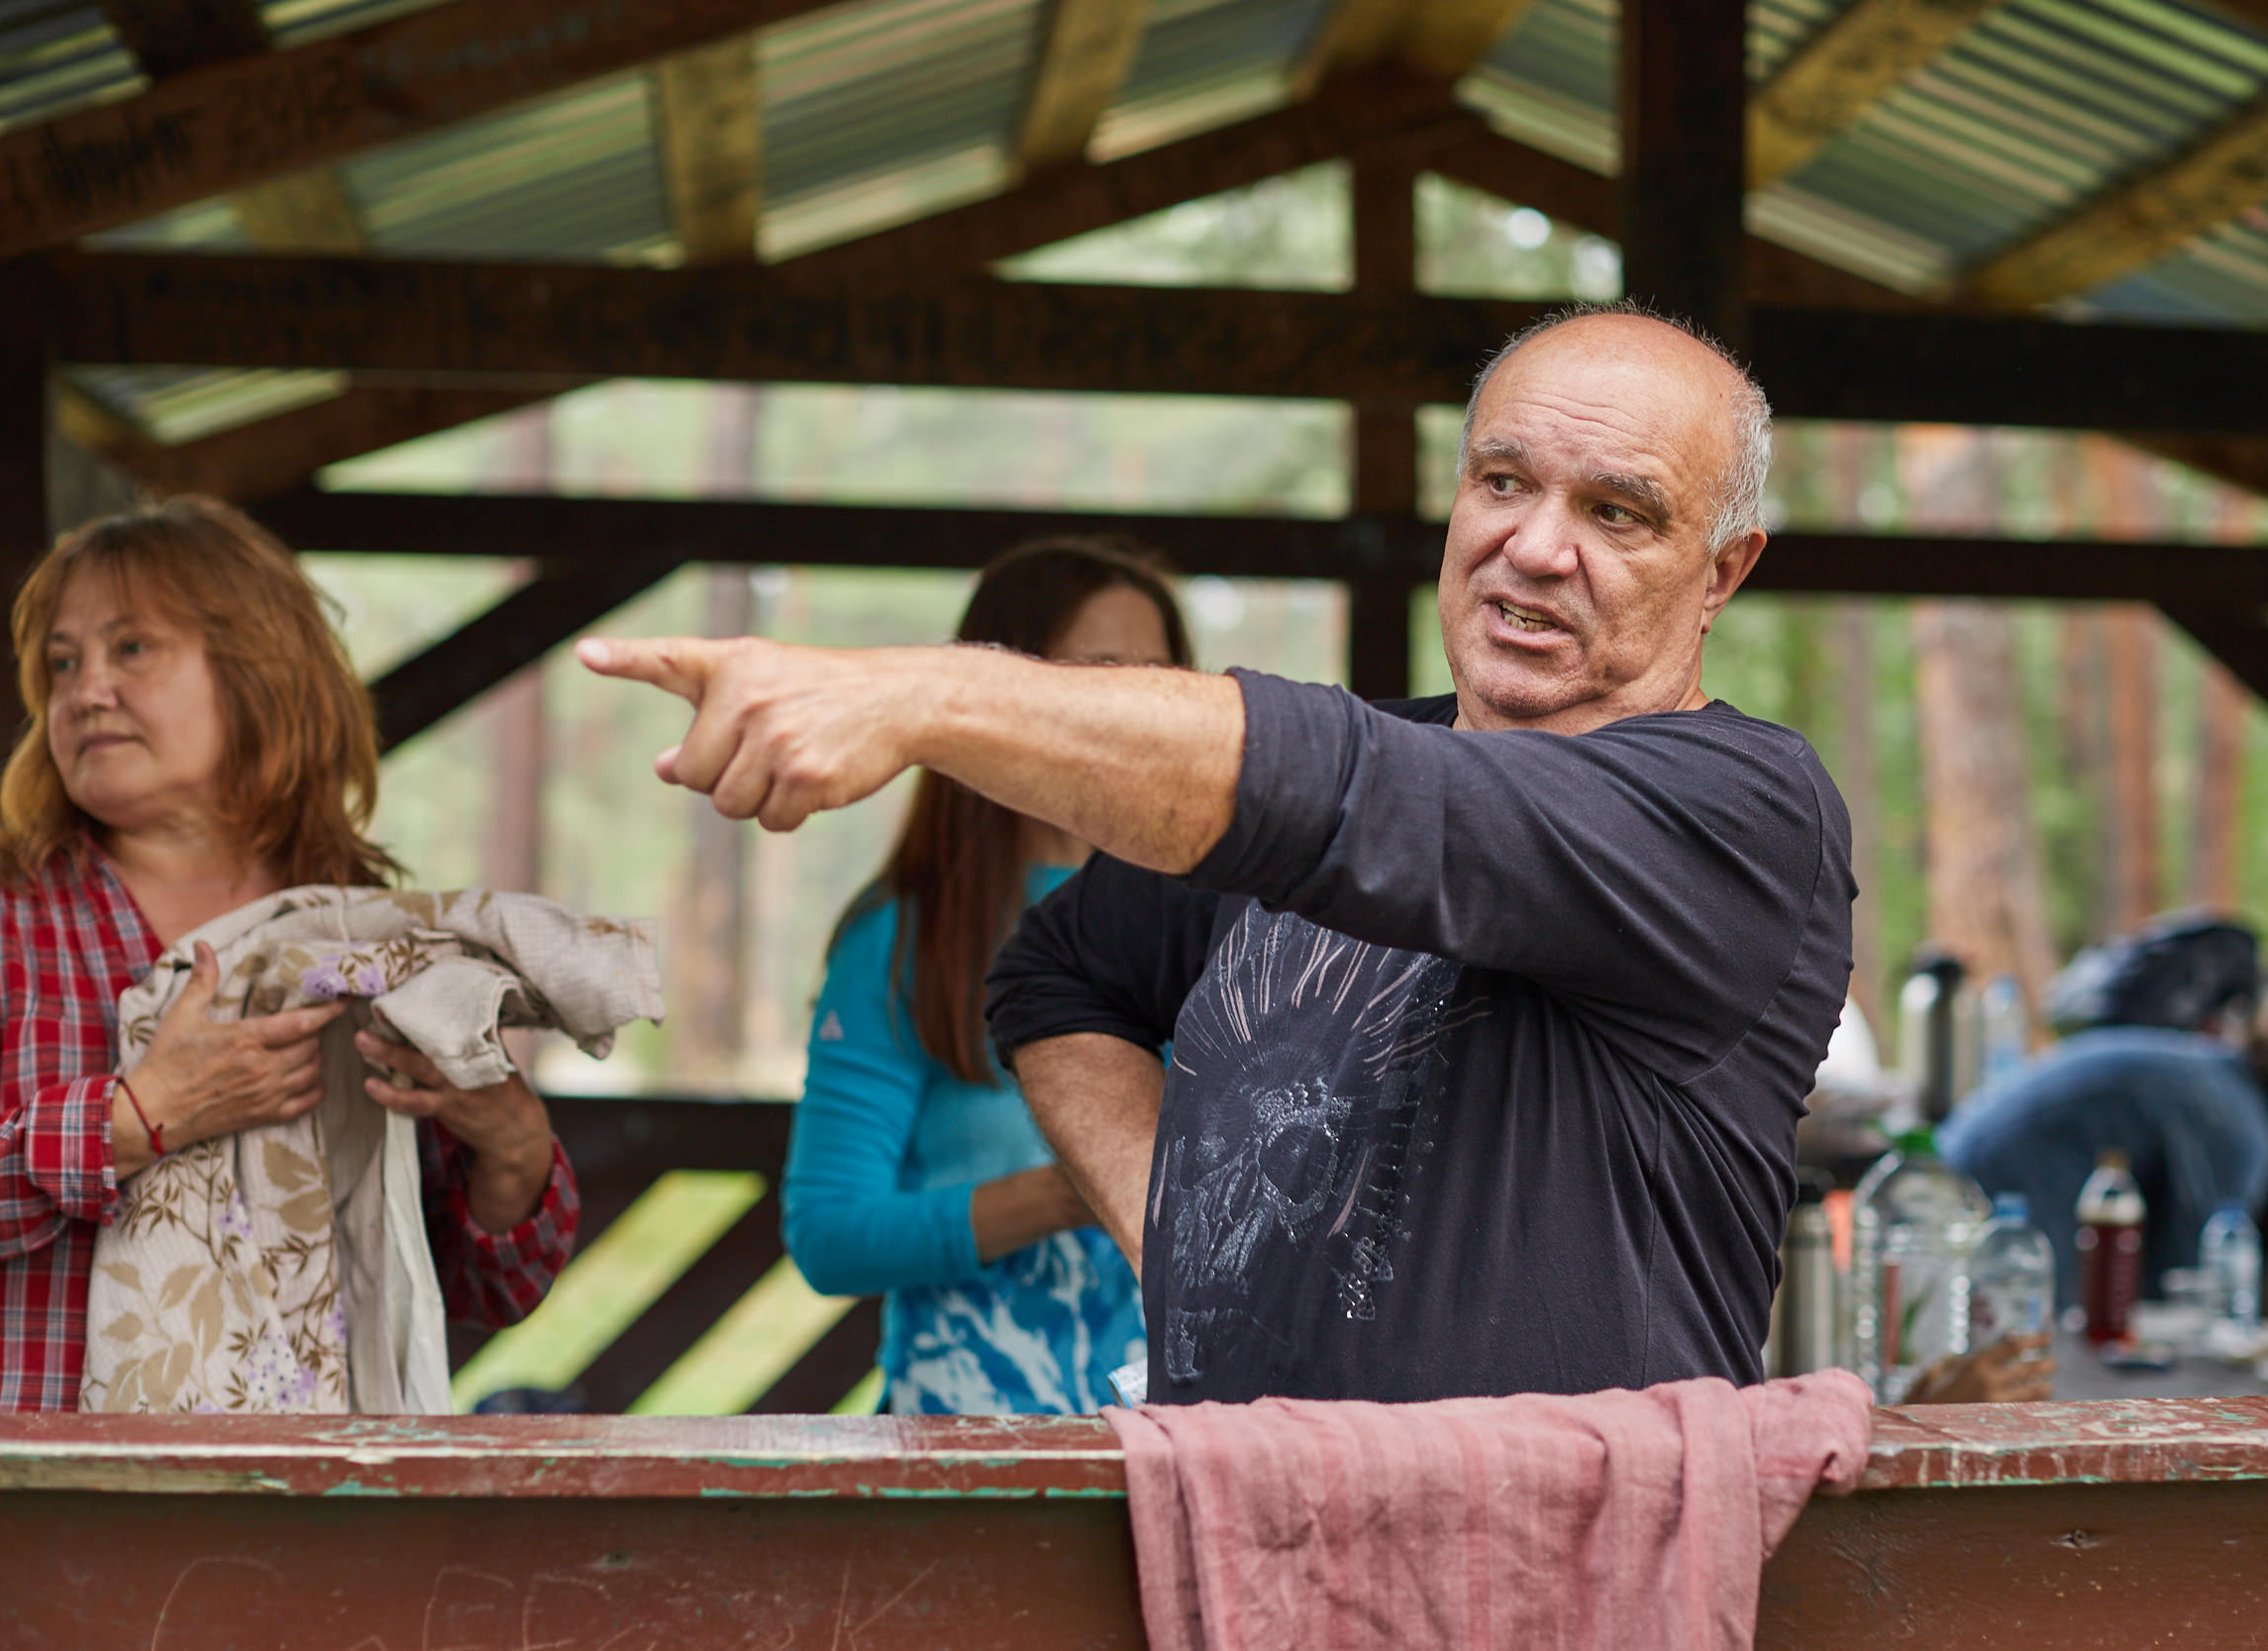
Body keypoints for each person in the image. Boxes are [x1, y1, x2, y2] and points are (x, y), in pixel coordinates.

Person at [584, 298, 1854, 1405]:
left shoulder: (1736, 808)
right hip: (1250, 1553)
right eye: (1503, 481)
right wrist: (1186, 1239)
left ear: (1720, 571)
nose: (1533, 543)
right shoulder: (1371, 774)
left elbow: (1358, 792)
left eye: (1617, 510)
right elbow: (1056, 975)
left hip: (1563, 1578)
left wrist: (926, 696)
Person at [0, 497, 577, 1411]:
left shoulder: (368, 935)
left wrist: (513, 1149)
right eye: (62, 662)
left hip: (296, 1533)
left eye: (131, 647)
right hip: (29, 1525)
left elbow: (479, 1288)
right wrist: (132, 1119)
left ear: (257, 670)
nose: (84, 688)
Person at [781, 539, 1186, 1412]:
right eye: (1101, 669)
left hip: (1188, 1439)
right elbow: (827, 1233)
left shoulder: (1230, 918)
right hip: (963, 1445)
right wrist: (1071, 1188)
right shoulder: (904, 936)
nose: (1137, 701)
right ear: (1004, 692)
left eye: (1161, 673)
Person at [1937, 1023, 2268, 1314]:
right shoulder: (2243, 1131)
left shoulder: (2215, 1074)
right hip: (1993, 1213)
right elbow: (2192, 1287)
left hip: (1956, 1173)